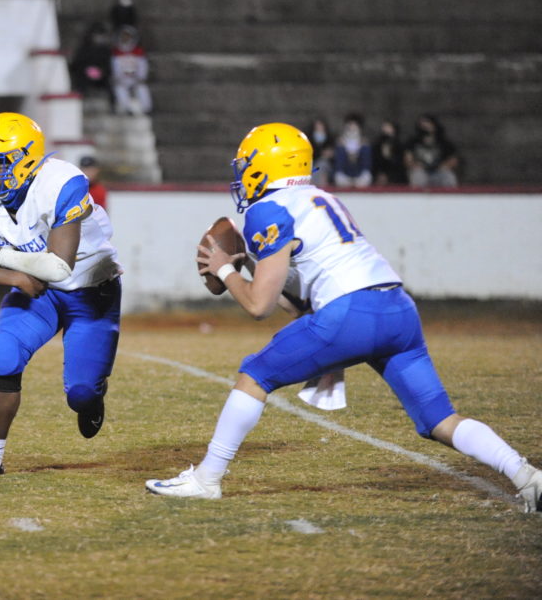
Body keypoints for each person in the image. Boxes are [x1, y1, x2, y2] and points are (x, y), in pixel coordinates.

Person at [144, 122, 542, 513]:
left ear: (263, 166)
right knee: (440, 419)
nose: (242, 173)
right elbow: (298, 305)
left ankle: (206, 479)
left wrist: (224, 269)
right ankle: (527, 476)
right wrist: (248, 265)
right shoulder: (321, 198)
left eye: (246, 164)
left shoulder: (268, 209)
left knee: (255, 375)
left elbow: (258, 306)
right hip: (398, 309)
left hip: (352, 313)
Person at [0, 113, 123, 479]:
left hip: (90, 293)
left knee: (81, 393)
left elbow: (59, 266)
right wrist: (13, 276)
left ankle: (94, 392)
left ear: (25, 161)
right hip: (37, 291)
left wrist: (3, 257)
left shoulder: (60, 183)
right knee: (4, 357)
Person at [405, 114, 459, 188]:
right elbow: (408, 159)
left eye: (428, 124)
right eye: (422, 126)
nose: (425, 127)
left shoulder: (444, 142)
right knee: (417, 175)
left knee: (449, 176)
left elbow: (453, 160)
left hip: (439, 171)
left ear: (434, 125)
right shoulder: (413, 142)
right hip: (422, 172)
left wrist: (445, 166)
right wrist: (414, 165)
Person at [111, 25, 152, 115]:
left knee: (142, 88)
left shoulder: (138, 51)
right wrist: (118, 77)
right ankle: (126, 108)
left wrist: (141, 76)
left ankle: (146, 108)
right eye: (124, 36)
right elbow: (115, 66)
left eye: (128, 36)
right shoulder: (117, 52)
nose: (126, 38)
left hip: (136, 77)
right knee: (119, 88)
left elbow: (143, 65)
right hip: (123, 78)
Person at [69, 22, 112, 99]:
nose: (99, 38)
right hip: (85, 75)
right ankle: (82, 95)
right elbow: (76, 64)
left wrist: (102, 71)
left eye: (101, 35)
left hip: (102, 76)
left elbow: (109, 64)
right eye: (97, 35)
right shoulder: (84, 48)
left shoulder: (106, 50)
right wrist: (87, 70)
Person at [332, 112, 373, 188]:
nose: (352, 127)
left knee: (365, 148)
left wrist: (358, 151)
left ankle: (363, 177)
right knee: (340, 149)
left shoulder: (364, 141)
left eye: (354, 125)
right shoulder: (341, 141)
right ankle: (342, 177)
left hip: (359, 172)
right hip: (345, 172)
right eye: (350, 125)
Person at [372, 120, 406, 185]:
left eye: (388, 127)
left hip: (395, 172)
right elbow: (376, 161)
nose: (385, 129)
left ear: (393, 129)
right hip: (380, 171)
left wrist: (389, 157)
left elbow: (400, 162)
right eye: (384, 127)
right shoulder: (378, 143)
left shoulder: (398, 144)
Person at [305, 117, 333, 187]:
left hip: (327, 164)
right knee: (315, 168)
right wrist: (321, 153)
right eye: (317, 125)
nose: (319, 127)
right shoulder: (309, 138)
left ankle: (323, 186)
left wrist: (329, 154)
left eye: (320, 125)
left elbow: (332, 153)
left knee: (322, 165)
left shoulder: (330, 138)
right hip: (313, 163)